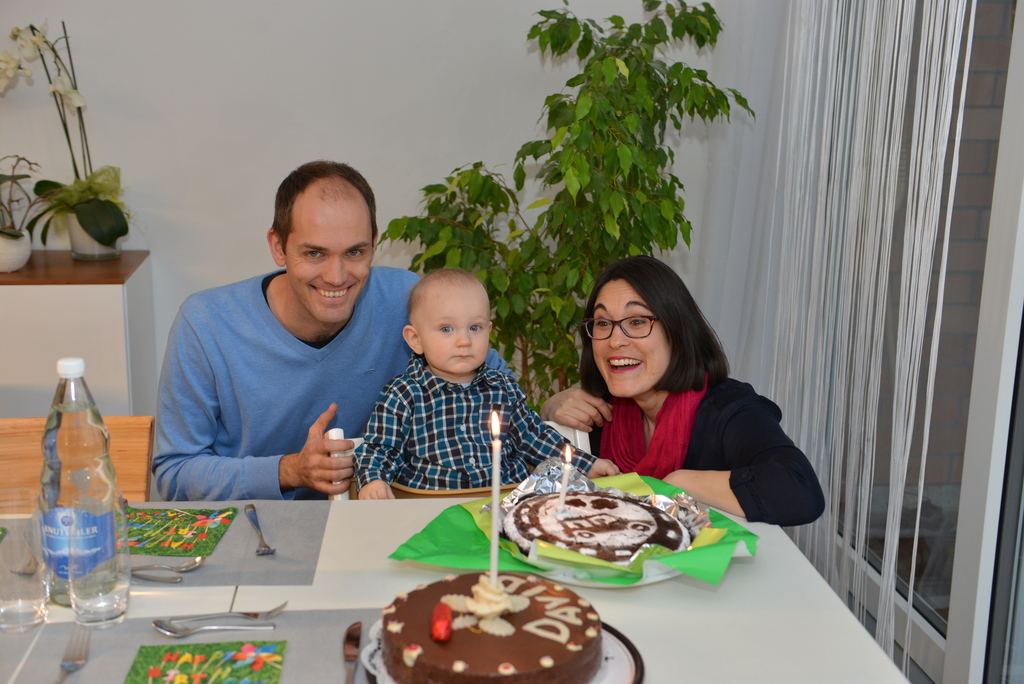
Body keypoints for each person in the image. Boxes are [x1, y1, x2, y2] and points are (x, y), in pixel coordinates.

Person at [153, 161, 508, 501]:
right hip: (253, 523)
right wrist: (289, 470)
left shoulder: (405, 299)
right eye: (314, 254)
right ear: (278, 246)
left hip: (374, 519)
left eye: (354, 252)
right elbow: (175, 473)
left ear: (374, 243)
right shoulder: (206, 324)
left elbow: (491, 380)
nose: (336, 277)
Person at [540, 256, 825, 526]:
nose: (615, 341)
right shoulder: (602, 412)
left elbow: (799, 490)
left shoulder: (728, 408)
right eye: (603, 323)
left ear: (677, 332)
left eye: (637, 321)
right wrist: (548, 409)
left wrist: (677, 483)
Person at [357, 269, 619, 499]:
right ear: (415, 339)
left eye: (475, 327)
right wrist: (373, 479)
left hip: (504, 503)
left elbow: (536, 438)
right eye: (446, 329)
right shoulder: (403, 394)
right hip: (433, 509)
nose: (464, 341)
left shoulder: (503, 388)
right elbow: (380, 447)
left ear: (488, 331)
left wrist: (586, 464)